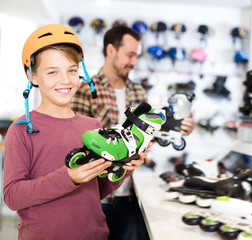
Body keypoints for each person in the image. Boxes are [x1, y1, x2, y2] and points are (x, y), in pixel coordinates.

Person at [2, 24, 147, 240]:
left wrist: (124, 168)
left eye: (72, 70)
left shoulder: (92, 126)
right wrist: (68, 177)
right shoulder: (21, 129)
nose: (65, 80)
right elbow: (13, 197)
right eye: (52, 72)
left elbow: (95, 191)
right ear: (32, 76)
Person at [71, 26, 196, 240]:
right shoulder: (85, 90)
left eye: (136, 56)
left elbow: (144, 139)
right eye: (130, 55)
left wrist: (174, 130)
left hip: (129, 191)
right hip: (97, 196)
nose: (134, 62)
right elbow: (76, 141)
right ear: (111, 50)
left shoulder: (138, 91)